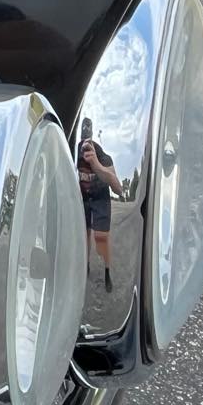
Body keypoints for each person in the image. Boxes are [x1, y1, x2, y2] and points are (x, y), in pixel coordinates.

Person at [77, 119, 124, 291]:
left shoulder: (102, 155)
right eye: (82, 141)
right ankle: (85, 267)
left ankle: (107, 270)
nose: (84, 147)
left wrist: (96, 164)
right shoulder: (73, 152)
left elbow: (118, 189)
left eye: (87, 142)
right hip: (82, 198)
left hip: (100, 197)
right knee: (85, 235)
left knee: (101, 237)